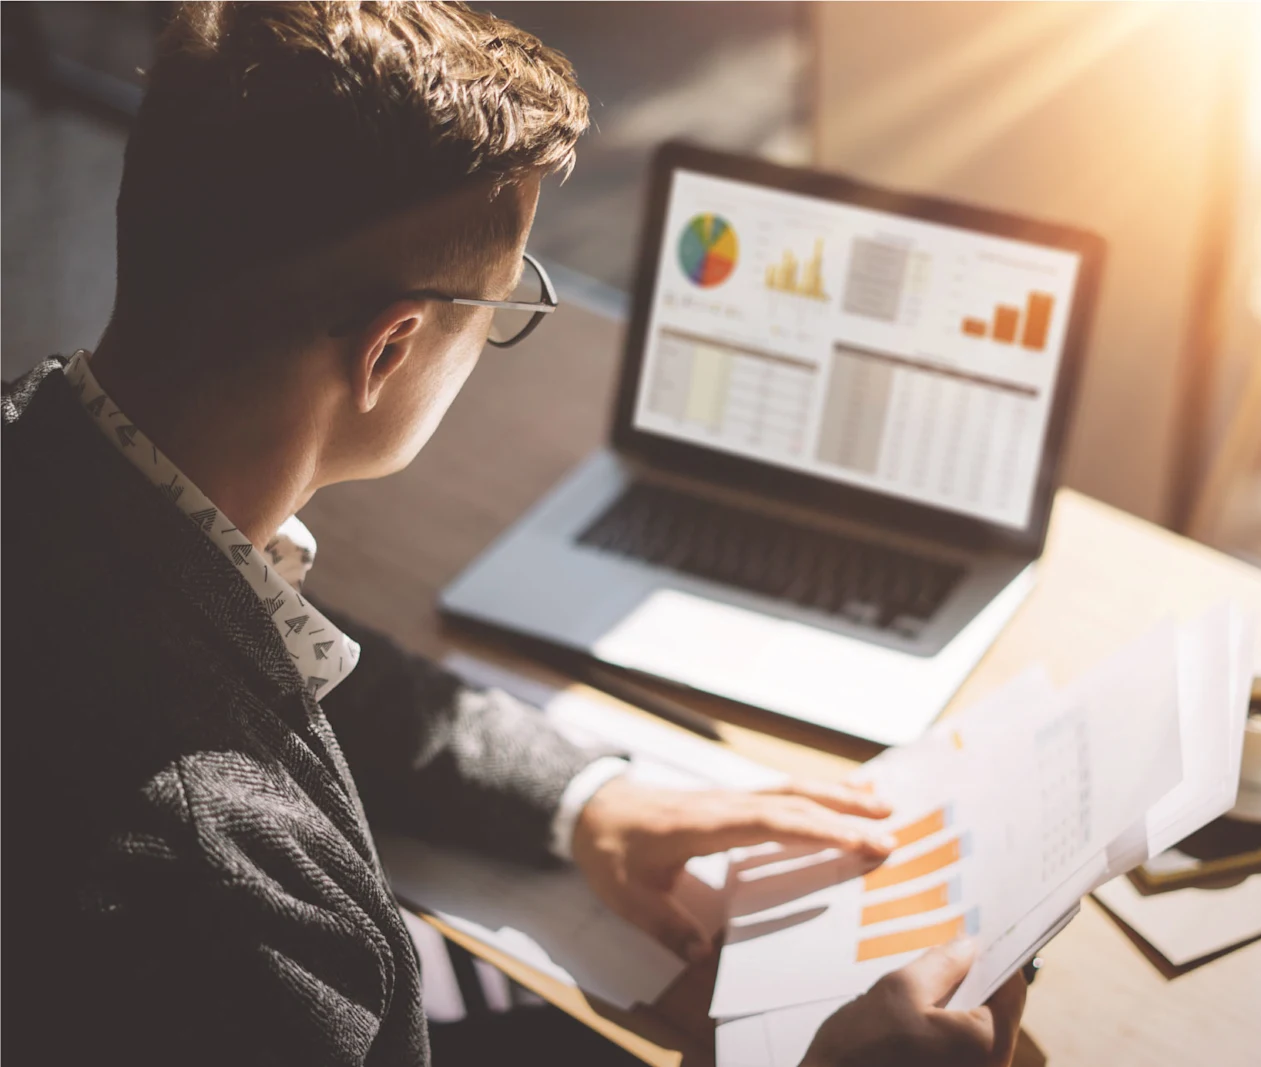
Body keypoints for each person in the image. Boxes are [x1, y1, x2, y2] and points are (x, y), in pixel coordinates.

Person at [1, 3, 1027, 1065]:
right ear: (389, 350)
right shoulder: (225, 890)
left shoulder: (50, 466)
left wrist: (585, 799)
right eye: (501, 304)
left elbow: (260, 661)